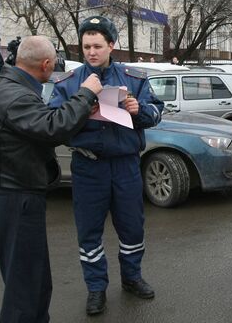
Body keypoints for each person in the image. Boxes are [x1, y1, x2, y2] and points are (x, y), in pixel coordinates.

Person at [0, 35, 102, 322]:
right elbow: (53, 128)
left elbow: (40, 122)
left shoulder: (12, 86)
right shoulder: (16, 95)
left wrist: (81, 110)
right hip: (16, 198)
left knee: (34, 280)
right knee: (24, 287)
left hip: (17, 195)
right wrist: (85, 93)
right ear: (47, 65)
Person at [49, 16, 164, 316]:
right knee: (89, 233)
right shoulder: (69, 82)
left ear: (111, 45)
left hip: (125, 166)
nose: (91, 52)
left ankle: (132, 278)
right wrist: (81, 106)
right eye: (86, 46)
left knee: (132, 228)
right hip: (88, 168)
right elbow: (53, 123)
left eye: (98, 46)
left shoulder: (134, 78)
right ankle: (96, 288)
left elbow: (156, 112)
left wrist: (140, 111)